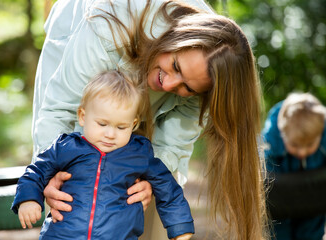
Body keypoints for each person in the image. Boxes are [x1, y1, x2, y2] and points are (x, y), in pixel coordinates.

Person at [32, 0, 268, 239]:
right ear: (176, 37)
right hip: (87, 35)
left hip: (150, 57)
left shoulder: (211, 74)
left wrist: (148, 183)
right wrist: (50, 176)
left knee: (145, 196)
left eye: (187, 87)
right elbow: (59, 111)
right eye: (175, 66)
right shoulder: (107, 25)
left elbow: (172, 147)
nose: (169, 84)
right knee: (70, 195)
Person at [12, 70, 194, 240]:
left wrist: (180, 226)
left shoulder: (138, 154)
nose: (110, 134)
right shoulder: (67, 147)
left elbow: (168, 188)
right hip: (63, 235)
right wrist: (28, 199)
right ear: (83, 116)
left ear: (134, 124)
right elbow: (36, 171)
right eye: (102, 124)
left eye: (121, 127)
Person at [262, 92, 326, 240]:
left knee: (311, 233)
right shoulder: (272, 140)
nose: (302, 152)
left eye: (310, 145)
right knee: (277, 233)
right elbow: (267, 187)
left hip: (314, 198)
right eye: (295, 145)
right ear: (283, 135)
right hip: (280, 200)